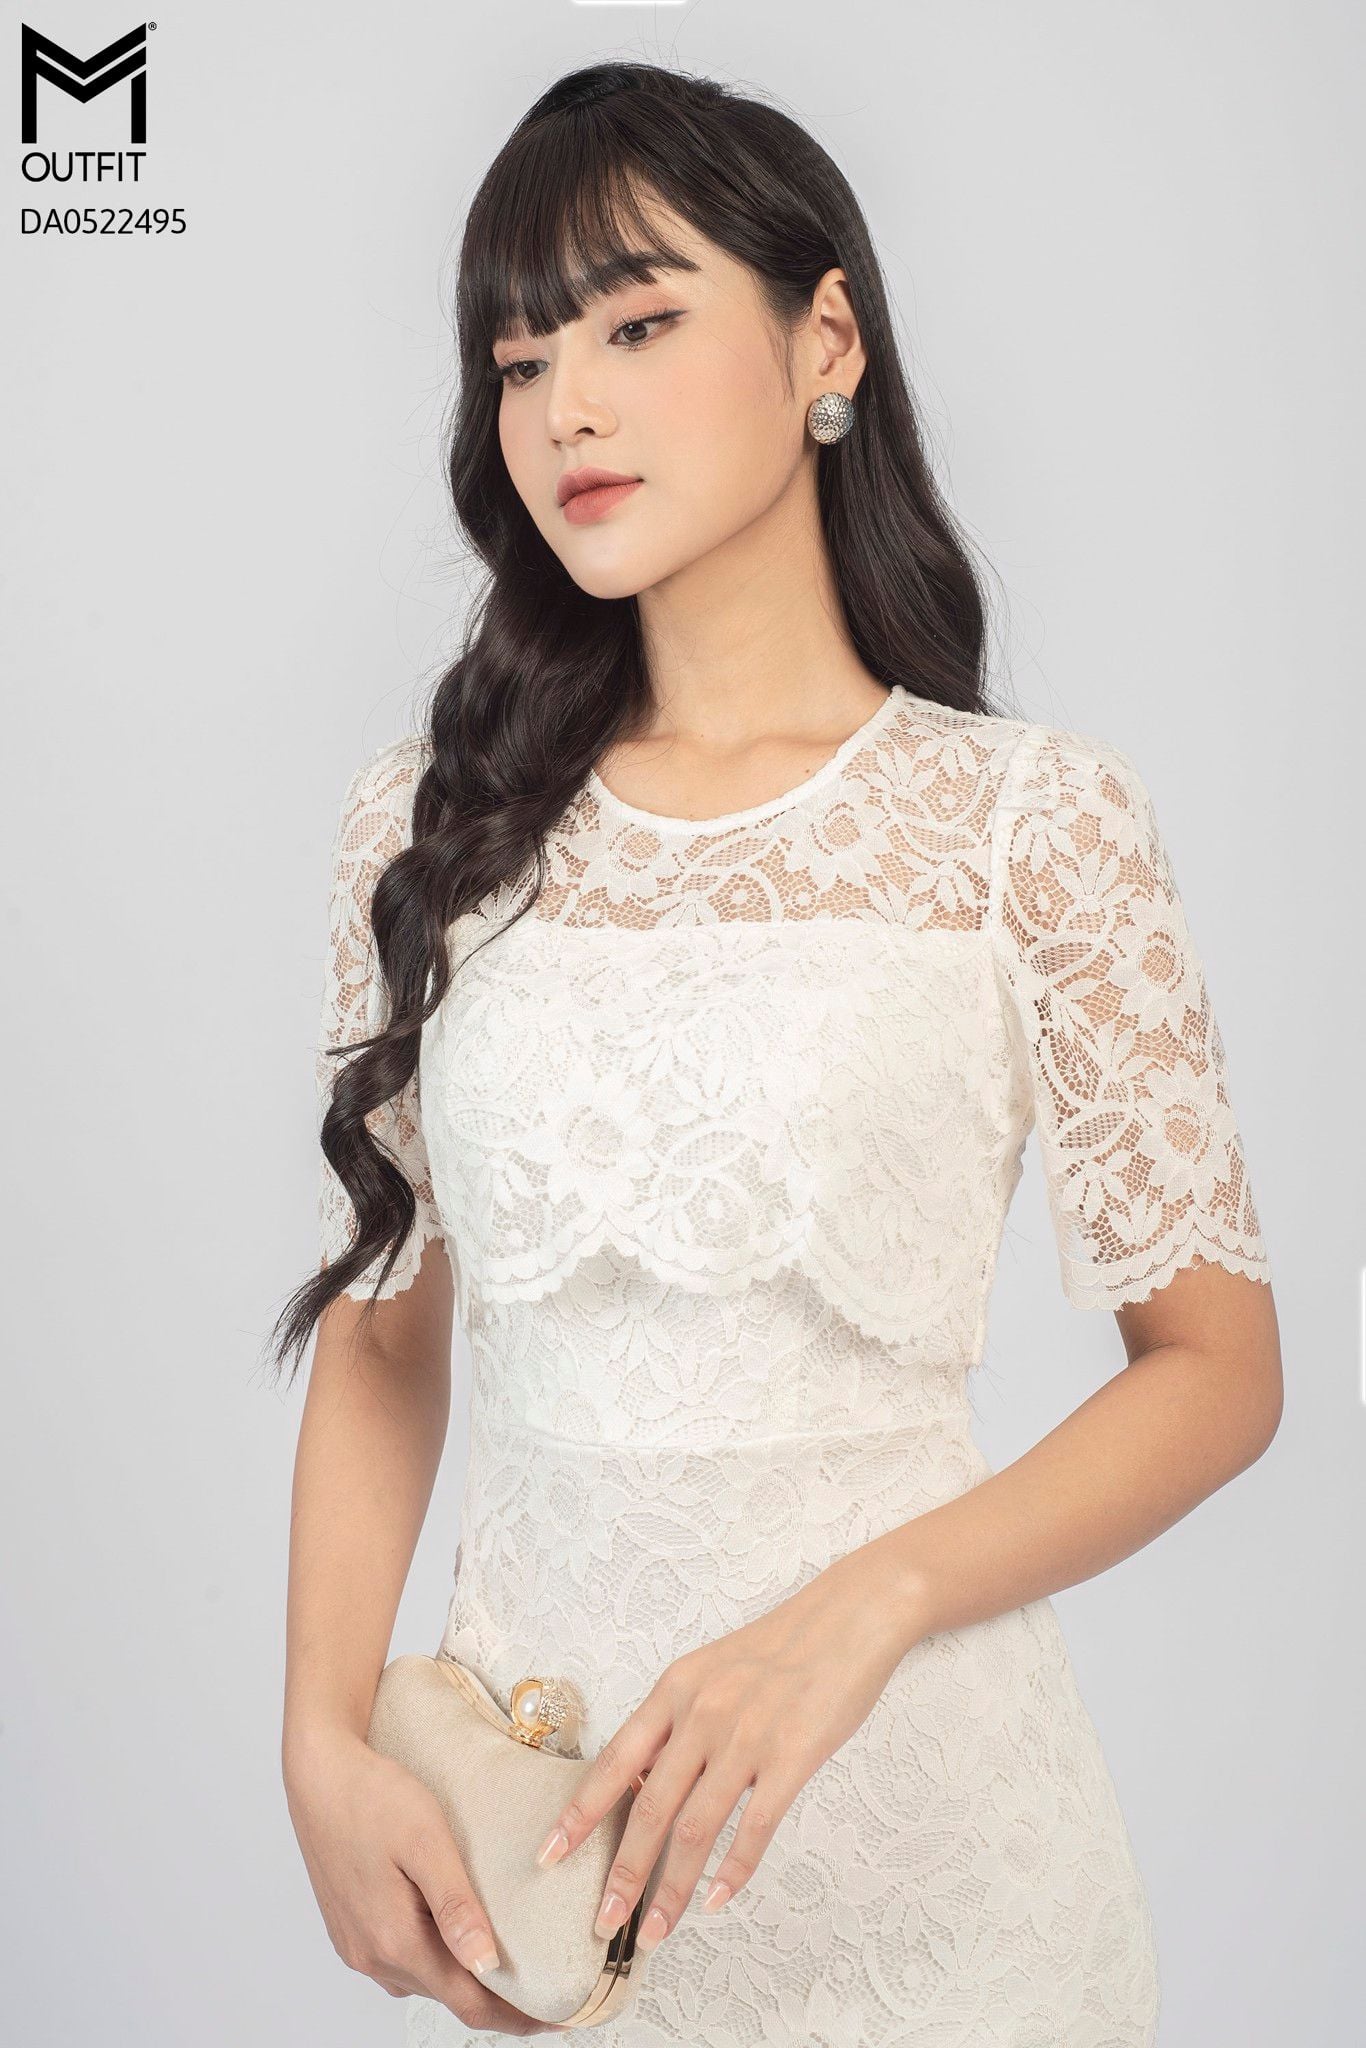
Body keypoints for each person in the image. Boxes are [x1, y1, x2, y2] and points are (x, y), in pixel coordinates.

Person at [270, 59, 1281, 2048]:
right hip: (548, 1877)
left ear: (826, 341)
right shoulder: (429, 829)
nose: (564, 406)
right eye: (518, 358)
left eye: (636, 326)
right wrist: (317, 1739)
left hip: (943, 1870)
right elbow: (384, 1336)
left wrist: (858, 1610)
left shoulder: (1030, 825)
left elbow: (1215, 1372)